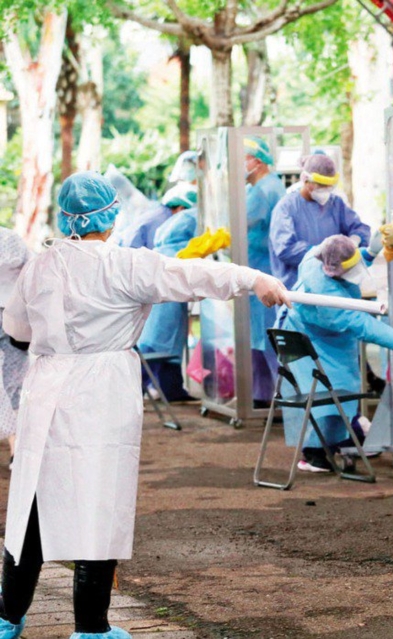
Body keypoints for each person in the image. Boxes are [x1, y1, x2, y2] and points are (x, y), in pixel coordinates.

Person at [0, 171, 289, 639]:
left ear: (66, 216)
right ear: (111, 216)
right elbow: (193, 275)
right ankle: (91, 628)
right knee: (97, 504)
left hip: (47, 385)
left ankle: (7, 618)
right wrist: (253, 278)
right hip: (99, 393)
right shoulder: (126, 265)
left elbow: (18, 329)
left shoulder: (42, 266)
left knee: (31, 505)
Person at [277, 235, 393, 472]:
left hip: (313, 336)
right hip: (314, 343)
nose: (358, 269)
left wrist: (368, 253)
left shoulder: (315, 257)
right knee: (328, 399)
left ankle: (340, 440)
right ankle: (314, 453)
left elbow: (345, 263)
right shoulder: (330, 303)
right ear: (332, 271)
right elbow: (364, 325)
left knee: (332, 394)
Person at [136, 184, 200, 401]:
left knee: (166, 341)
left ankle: (172, 390)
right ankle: (133, 390)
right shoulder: (184, 236)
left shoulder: (164, 235)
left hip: (157, 293)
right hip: (166, 299)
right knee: (159, 341)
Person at [269, 153, 371, 289]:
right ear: (305, 180)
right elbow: (285, 249)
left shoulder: (335, 204)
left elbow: (359, 228)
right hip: (298, 287)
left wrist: (354, 241)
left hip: (334, 285)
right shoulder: (286, 208)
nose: (325, 191)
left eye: (329, 186)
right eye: (321, 185)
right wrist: (323, 255)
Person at [243, 137, 288, 406]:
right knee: (258, 335)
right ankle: (262, 394)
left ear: (256, 161)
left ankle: (282, 396)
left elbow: (241, 225)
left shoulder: (263, 191)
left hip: (263, 269)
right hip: (257, 269)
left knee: (268, 335)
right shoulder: (262, 188)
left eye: (242, 159)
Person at [0, 230, 30, 466]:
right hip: (11, 315)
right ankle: (16, 450)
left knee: (15, 383)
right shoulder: (10, 238)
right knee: (15, 382)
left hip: (11, 316)